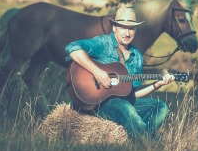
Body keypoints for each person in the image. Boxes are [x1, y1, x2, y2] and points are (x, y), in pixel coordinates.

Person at [65, 7, 175, 141]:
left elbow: (132, 92)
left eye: (131, 28)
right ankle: (147, 141)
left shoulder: (137, 56)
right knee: (127, 109)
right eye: (122, 28)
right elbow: (72, 48)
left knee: (161, 107)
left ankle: (141, 135)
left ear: (135, 30)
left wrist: (157, 84)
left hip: (124, 102)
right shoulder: (104, 43)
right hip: (99, 103)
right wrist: (97, 72)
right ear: (114, 28)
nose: (127, 33)